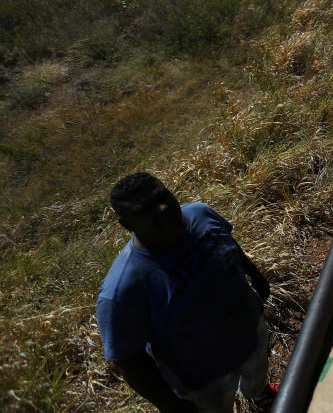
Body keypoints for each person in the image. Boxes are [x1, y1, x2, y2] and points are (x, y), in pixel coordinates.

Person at [96, 172, 276, 413]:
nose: (162, 208)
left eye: (162, 196)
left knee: (257, 375)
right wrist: (172, 406)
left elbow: (228, 243)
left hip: (250, 331)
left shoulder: (200, 213)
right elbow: (130, 362)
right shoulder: (123, 288)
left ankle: (260, 395)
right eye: (145, 209)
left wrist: (255, 275)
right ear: (127, 224)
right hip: (204, 379)